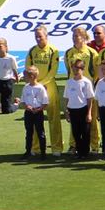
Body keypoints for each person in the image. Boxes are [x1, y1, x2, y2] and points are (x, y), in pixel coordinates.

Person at [26, 24, 64, 153]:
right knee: (35, 117)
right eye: (36, 36)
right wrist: (34, 84)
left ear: (46, 36)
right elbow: (28, 69)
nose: (38, 39)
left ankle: (57, 148)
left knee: (54, 118)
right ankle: (35, 148)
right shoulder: (32, 51)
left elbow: (53, 72)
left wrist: (41, 84)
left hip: (49, 87)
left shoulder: (53, 51)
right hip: (34, 88)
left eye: (40, 36)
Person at [64, 61, 97, 159]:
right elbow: (66, 97)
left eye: (77, 68)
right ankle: (79, 151)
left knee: (85, 132)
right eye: (73, 68)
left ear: (82, 69)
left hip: (83, 109)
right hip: (72, 110)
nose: (75, 70)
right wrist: (66, 111)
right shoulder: (69, 82)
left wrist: (89, 113)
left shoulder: (86, 82)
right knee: (76, 132)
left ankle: (85, 152)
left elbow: (90, 98)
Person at [19, 67, 49, 157]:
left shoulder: (40, 88)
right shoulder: (26, 87)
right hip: (29, 113)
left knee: (40, 133)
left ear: (32, 76)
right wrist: (27, 106)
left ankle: (43, 152)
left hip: (38, 112)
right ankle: (28, 151)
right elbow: (23, 100)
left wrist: (39, 109)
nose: (24, 78)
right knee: (29, 132)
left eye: (25, 76)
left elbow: (45, 102)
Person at [0, 37, 18, 114]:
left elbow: (14, 69)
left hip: (7, 83)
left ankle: (16, 104)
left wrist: (16, 78)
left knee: (7, 111)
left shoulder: (11, 58)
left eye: (0, 46)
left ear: (5, 47)